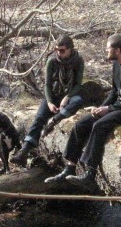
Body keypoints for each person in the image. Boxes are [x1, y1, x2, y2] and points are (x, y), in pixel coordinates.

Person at [46, 33, 121, 192]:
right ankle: (70, 166)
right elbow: (114, 93)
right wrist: (100, 107)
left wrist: (109, 109)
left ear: (118, 50)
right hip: (118, 106)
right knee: (81, 124)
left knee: (100, 126)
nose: (106, 51)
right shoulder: (116, 65)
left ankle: (90, 173)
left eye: (109, 49)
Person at [11, 35, 85, 165]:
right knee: (39, 117)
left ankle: (56, 119)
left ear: (70, 49)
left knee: (78, 101)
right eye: (56, 49)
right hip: (54, 95)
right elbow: (47, 84)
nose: (58, 53)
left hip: (69, 95)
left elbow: (78, 84)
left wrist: (67, 97)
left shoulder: (78, 61)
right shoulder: (52, 61)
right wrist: (50, 102)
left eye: (62, 50)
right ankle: (25, 150)